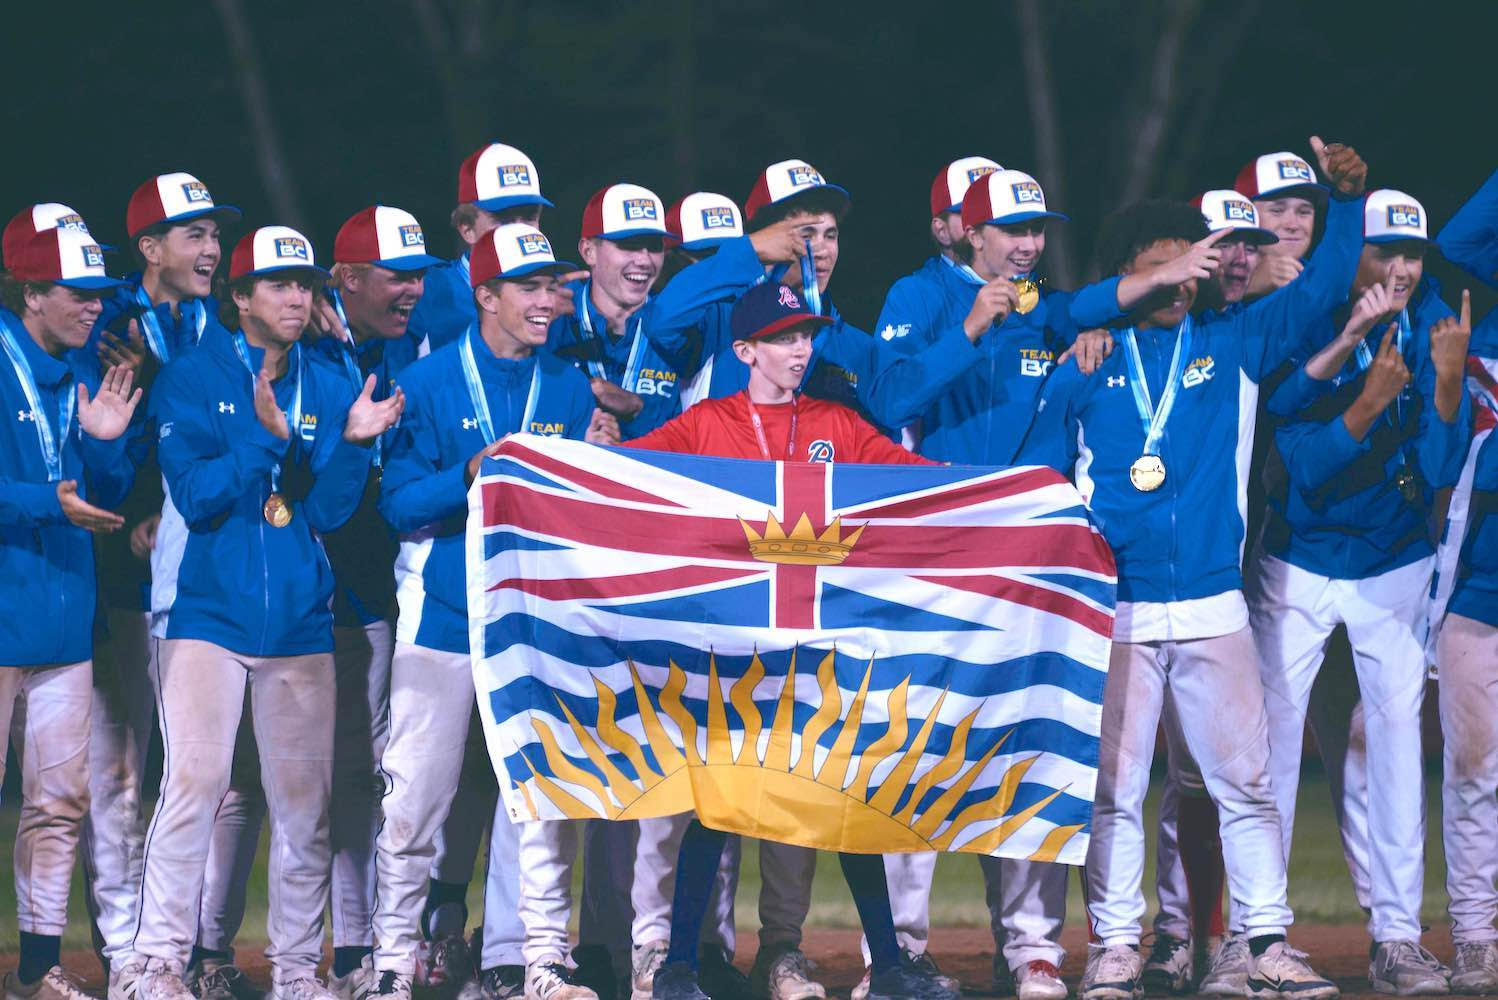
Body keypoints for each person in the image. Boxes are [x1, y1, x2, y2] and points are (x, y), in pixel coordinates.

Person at [1016, 136, 1369, 1000]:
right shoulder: (1086, 363)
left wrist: (1349, 203)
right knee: (1115, 793)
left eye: (1191, 262)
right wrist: (1088, 336)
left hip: (1213, 604)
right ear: (1128, 277)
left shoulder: (1236, 339)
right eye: (1159, 266)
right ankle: (1114, 949)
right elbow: (1033, 466)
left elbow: (1323, 287)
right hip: (1120, 610)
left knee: (1244, 787)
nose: (1180, 278)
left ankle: (1263, 945)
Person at [621, 280, 952, 1000]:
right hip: (732, 654)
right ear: (744, 350)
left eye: (806, 336)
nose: (800, 349)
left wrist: (1011, 494)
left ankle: (889, 967)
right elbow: (625, 480)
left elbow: (919, 487)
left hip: (818, 646)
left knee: (844, 796)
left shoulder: (840, 421)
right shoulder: (704, 423)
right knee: (717, 803)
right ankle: (677, 966)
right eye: (782, 338)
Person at [118, 225, 402, 1000]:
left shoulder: (333, 378)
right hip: (209, 617)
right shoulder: (189, 375)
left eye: (305, 284)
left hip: (304, 624)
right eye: (276, 284)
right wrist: (260, 438)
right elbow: (201, 499)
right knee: (195, 787)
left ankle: (294, 974)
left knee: (303, 811)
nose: (296, 298)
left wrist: (350, 442)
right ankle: (154, 966)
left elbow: (335, 513)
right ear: (239, 295)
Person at [371, 223, 611, 1000]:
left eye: (554, 287)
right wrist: (469, 474)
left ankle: (530, 959)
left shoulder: (569, 387)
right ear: (486, 296)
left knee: (538, 800)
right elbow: (399, 503)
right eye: (532, 288)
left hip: (534, 625)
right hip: (444, 618)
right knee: (413, 804)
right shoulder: (431, 380)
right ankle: (388, 965)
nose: (550, 301)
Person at [1248, 189, 1471, 995]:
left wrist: (1446, 390)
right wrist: (1370, 398)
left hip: (1394, 559)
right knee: (1267, 749)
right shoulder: (1306, 316)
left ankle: (1399, 938)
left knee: (1393, 750)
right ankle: (1257, 933)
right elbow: (1301, 465)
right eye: (1386, 252)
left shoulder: (1434, 320)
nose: (1404, 269)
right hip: (1301, 559)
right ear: (1356, 256)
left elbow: (1444, 469)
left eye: (1413, 254)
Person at [69, 172, 257, 1000]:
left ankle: (194, 947)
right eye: (193, 234)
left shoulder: (223, 319)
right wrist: (140, 511)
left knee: (207, 773)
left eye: (216, 233)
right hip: (118, 564)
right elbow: (94, 452)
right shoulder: (105, 323)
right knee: (120, 769)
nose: (212, 248)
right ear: (149, 249)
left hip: (201, 567)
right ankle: (123, 947)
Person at [1141, 189, 1278, 996]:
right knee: (1177, 782)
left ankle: (1229, 939)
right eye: (1219, 243)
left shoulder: (1256, 328)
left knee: (1231, 775)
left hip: (1245, 569)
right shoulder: (1160, 337)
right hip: (1174, 578)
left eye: (1248, 244)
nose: (1234, 257)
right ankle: (1176, 934)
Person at [0, 224, 139, 1000]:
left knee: (59, 806)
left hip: (63, 623)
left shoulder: (82, 371)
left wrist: (110, 448)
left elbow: (103, 500)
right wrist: (45, 500)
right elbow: (54, 501)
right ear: (31, 295)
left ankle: (37, 970)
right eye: (76, 297)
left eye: (98, 296)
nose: (92, 310)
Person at [308, 205, 441, 1000]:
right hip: (299, 601)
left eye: (419, 274)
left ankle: (358, 949)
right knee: (259, 788)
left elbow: (477, 281)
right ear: (346, 279)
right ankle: (198, 951)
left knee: (368, 778)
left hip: (373, 593)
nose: (413, 288)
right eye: (396, 274)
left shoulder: (400, 350)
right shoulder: (303, 352)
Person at [1430, 166, 1498, 995]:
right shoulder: (1477, 349)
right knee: (1476, 769)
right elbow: (1458, 244)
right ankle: (1478, 935)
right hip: (1480, 587)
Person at [407, 141, 553, 352]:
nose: (518, 231)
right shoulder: (426, 290)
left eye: (529, 217)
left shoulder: (559, 294)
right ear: (467, 229)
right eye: (503, 219)